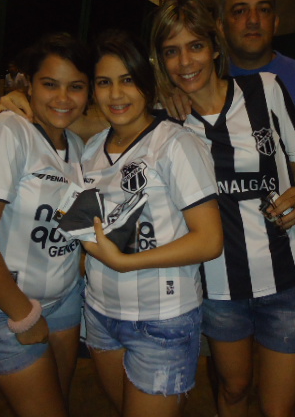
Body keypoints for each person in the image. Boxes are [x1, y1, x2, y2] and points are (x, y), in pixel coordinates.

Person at [161, 0, 295, 416]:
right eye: (172, 52)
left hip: (288, 276)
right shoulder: (167, 116)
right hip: (217, 284)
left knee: (283, 402)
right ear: (225, 24)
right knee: (232, 388)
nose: (186, 60)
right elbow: (109, 121)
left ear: (212, 45)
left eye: (194, 46)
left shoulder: (279, 87)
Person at [80, 29, 223, 417]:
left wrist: (125, 261)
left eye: (127, 80)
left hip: (162, 320)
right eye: (104, 83)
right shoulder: (92, 148)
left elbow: (209, 240)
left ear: (145, 82)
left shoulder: (175, 144)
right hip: (100, 313)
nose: (116, 94)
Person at [0, 33, 92, 417]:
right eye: (50, 84)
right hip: (3, 308)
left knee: (59, 402)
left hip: (64, 299)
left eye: (76, 87)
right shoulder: (4, 133)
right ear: (27, 85)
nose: (63, 98)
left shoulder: (78, 147)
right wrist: (23, 316)